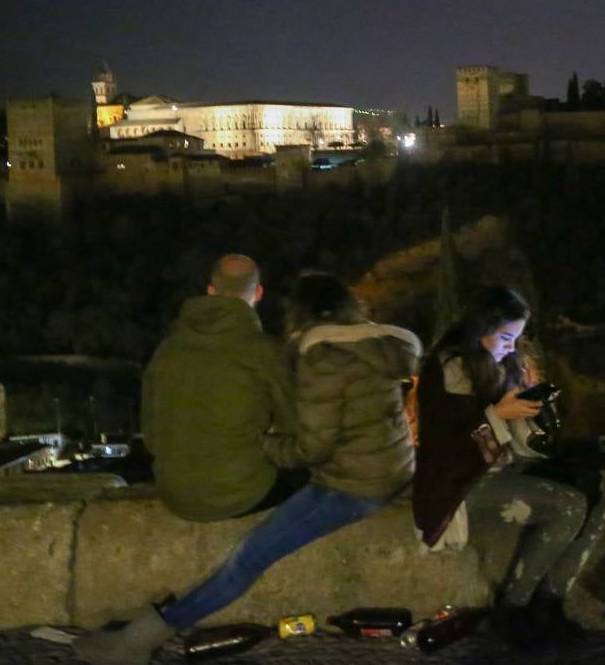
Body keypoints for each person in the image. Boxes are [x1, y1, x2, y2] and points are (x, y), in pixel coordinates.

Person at [76, 271, 421, 665]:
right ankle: (142, 631)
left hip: (356, 487)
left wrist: (265, 445)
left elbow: (313, 446)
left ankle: (137, 641)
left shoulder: (323, 357)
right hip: (388, 468)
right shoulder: (375, 344)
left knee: (249, 556)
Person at [412, 286, 605, 647]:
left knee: (602, 489)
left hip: (506, 465)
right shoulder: (450, 368)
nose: (511, 347)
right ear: (481, 329)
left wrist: (531, 417)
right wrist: (497, 415)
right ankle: (514, 609)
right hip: (458, 483)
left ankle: (550, 601)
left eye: (516, 339)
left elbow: (519, 442)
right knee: (568, 505)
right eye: (506, 337)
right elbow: (451, 446)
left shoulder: (503, 363)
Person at [141, 253, 302, 522]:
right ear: (258, 292)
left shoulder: (167, 349)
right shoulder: (264, 351)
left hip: (175, 494)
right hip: (243, 493)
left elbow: (152, 436)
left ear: (211, 291)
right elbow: (296, 430)